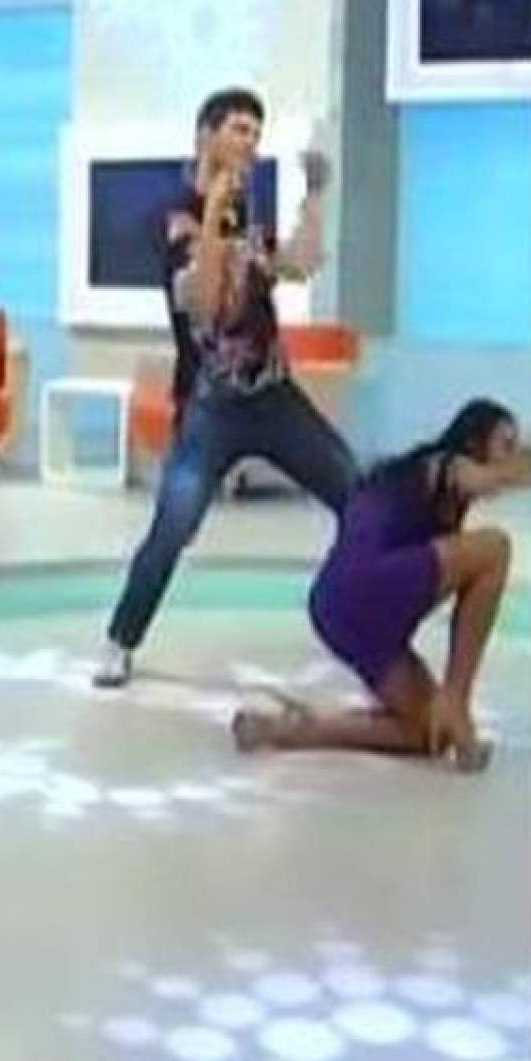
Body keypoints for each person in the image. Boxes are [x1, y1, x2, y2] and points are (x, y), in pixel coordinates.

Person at [95, 87, 358, 687]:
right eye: (239, 129)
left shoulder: (249, 208)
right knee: (173, 526)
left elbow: (296, 264)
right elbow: (208, 304)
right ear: (205, 136)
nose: (250, 143)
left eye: (256, 133)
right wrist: (214, 213)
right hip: (210, 405)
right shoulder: (172, 215)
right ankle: (120, 640)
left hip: (274, 394)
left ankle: (356, 616)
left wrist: (315, 197)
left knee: (356, 494)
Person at [232, 400, 531, 772]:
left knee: (428, 733)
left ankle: (287, 731)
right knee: (494, 550)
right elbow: (479, 479)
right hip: (366, 588)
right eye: (505, 445)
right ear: (474, 444)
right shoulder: (443, 465)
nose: (512, 453)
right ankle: (457, 699)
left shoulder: (410, 479)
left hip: (336, 610)